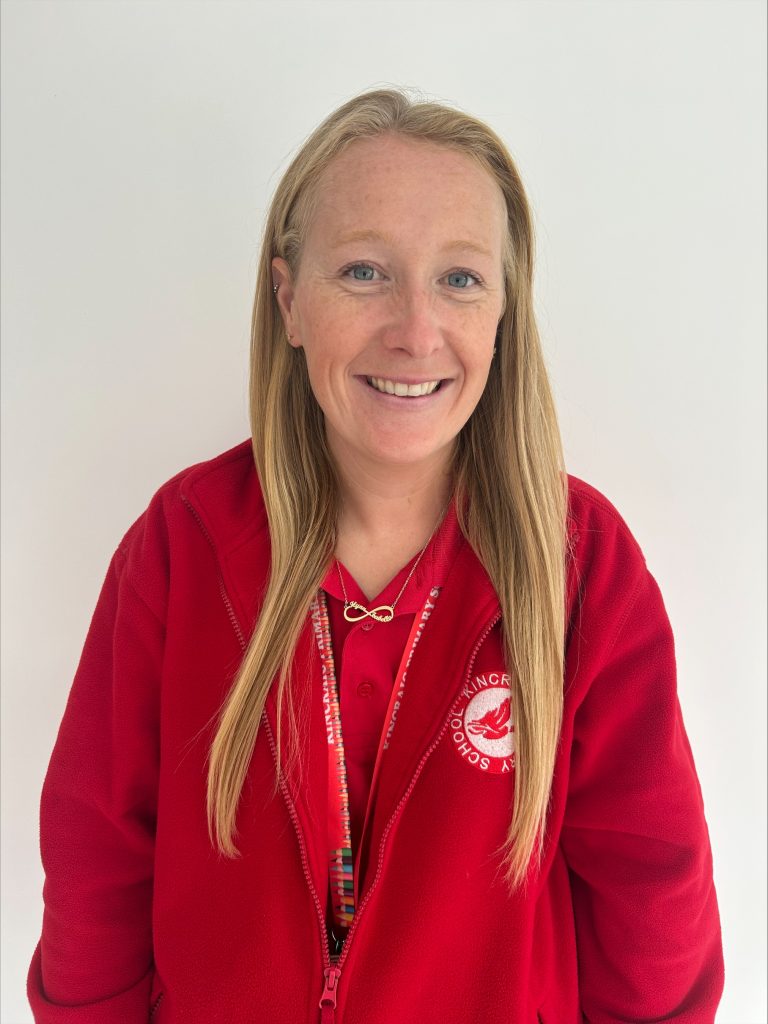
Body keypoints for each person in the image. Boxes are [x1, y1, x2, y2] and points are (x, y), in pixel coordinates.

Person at [28, 89, 724, 1023]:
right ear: (289, 301)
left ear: (504, 311)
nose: (415, 330)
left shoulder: (581, 563)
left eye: (460, 279)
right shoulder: (184, 542)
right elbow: (97, 853)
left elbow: (653, 887)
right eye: (364, 271)